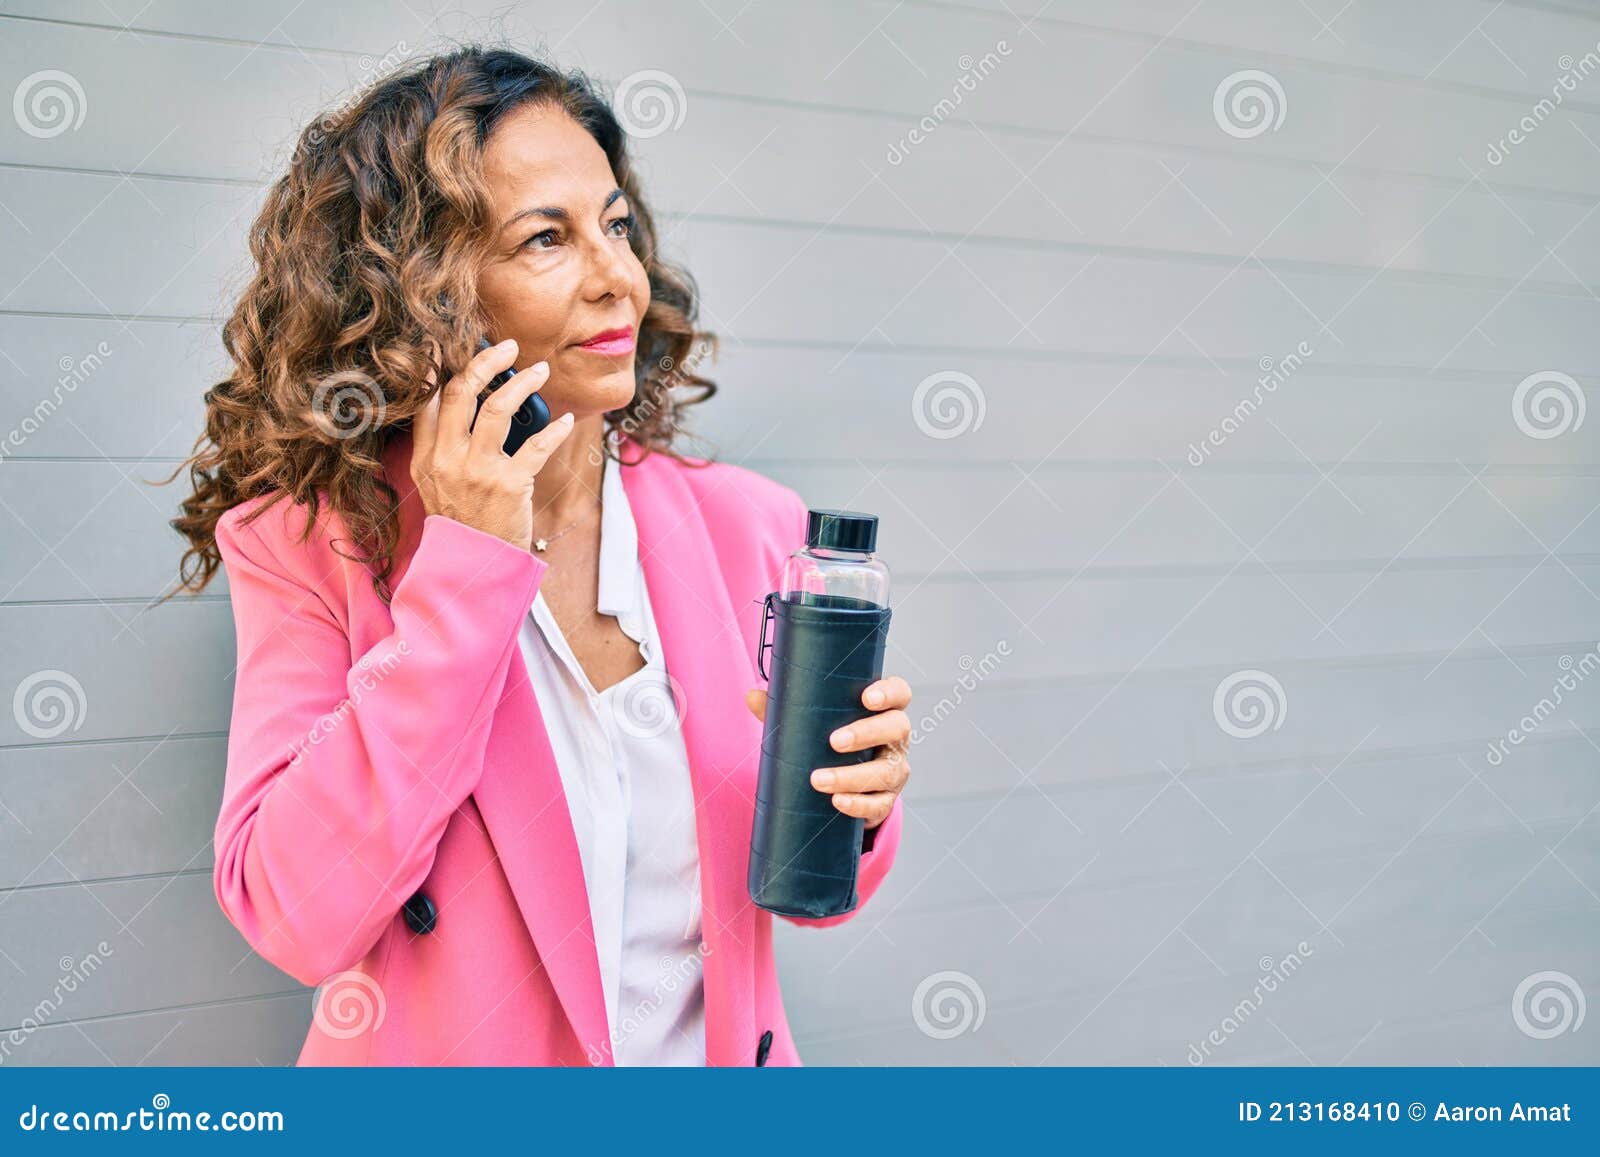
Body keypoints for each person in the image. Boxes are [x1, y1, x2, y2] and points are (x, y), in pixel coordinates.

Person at [168, 45, 913, 1066]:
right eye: (544, 239)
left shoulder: (750, 525)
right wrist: (465, 564)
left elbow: (813, 894)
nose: (619, 278)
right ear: (426, 292)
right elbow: (298, 915)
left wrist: (854, 804)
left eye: (614, 223)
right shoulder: (309, 546)